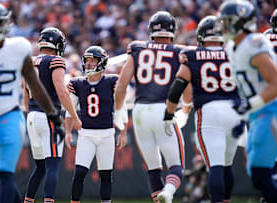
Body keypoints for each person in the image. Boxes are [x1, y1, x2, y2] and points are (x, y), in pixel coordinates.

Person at [0, 2, 64, 203]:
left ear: (5, 23)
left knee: (5, 173)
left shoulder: (18, 48)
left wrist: (53, 115)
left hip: (10, 117)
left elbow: (35, 86)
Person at [164, 16, 241, 203]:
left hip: (209, 112)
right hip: (235, 112)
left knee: (214, 165)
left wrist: (169, 114)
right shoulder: (236, 52)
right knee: (227, 164)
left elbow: (177, 87)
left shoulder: (192, 55)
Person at [115, 11, 188, 203]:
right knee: (176, 167)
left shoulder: (137, 48)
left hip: (139, 111)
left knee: (153, 167)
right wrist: (186, 109)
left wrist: (119, 111)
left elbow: (122, 84)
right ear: (173, 30)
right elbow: (185, 83)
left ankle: (159, 198)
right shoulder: (180, 51)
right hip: (165, 109)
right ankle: (169, 192)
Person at [218, 1, 277, 202]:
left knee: (262, 175)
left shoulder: (253, 44)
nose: (223, 26)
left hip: (271, 111)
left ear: (240, 22)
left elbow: (276, 84)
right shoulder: (235, 47)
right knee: (258, 174)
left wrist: (248, 106)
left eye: (227, 22)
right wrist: (244, 115)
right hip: (259, 113)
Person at [23, 27, 81, 203]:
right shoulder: (55, 60)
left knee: (40, 167)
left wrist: (31, 113)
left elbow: (25, 93)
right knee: (52, 165)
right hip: (47, 117)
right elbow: (61, 91)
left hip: (32, 116)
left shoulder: (30, 61)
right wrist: (74, 116)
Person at [64, 46, 127, 203]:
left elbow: (122, 107)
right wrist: (67, 131)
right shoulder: (77, 83)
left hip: (107, 134)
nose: (90, 64)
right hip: (86, 134)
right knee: (79, 173)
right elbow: (69, 110)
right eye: (88, 60)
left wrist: (123, 131)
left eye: (94, 60)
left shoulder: (112, 81)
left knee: (105, 175)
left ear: (102, 62)